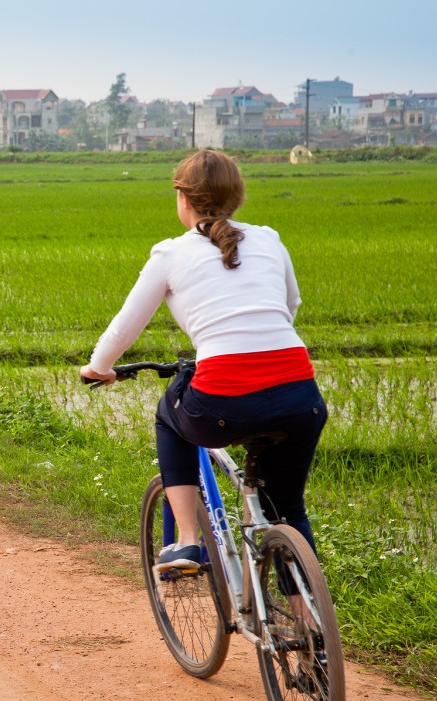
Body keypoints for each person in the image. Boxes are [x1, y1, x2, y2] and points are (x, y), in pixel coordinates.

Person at [80, 149, 327, 573]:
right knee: (286, 509)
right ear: (237, 197)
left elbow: (125, 328)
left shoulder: (170, 254)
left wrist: (97, 368)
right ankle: (313, 629)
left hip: (223, 399)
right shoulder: (268, 238)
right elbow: (291, 304)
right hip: (300, 394)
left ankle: (187, 541)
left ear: (183, 198)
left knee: (168, 414)